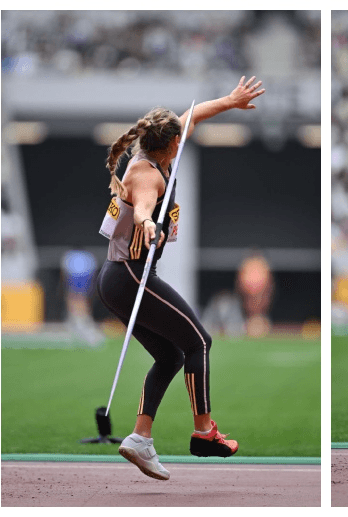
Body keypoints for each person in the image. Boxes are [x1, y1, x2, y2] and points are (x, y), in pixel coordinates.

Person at [96, 76, 265, 481]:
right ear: (173, 143)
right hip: (129, 275)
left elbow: (192, 115)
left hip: (120, 277)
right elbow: (143, 206)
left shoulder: (157, 156)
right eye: (180, 136)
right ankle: (205, 432)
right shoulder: (148, 175)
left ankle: (140, 438)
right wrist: (146, 224)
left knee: (171, 355)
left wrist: (230, 100)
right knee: (199, 341)